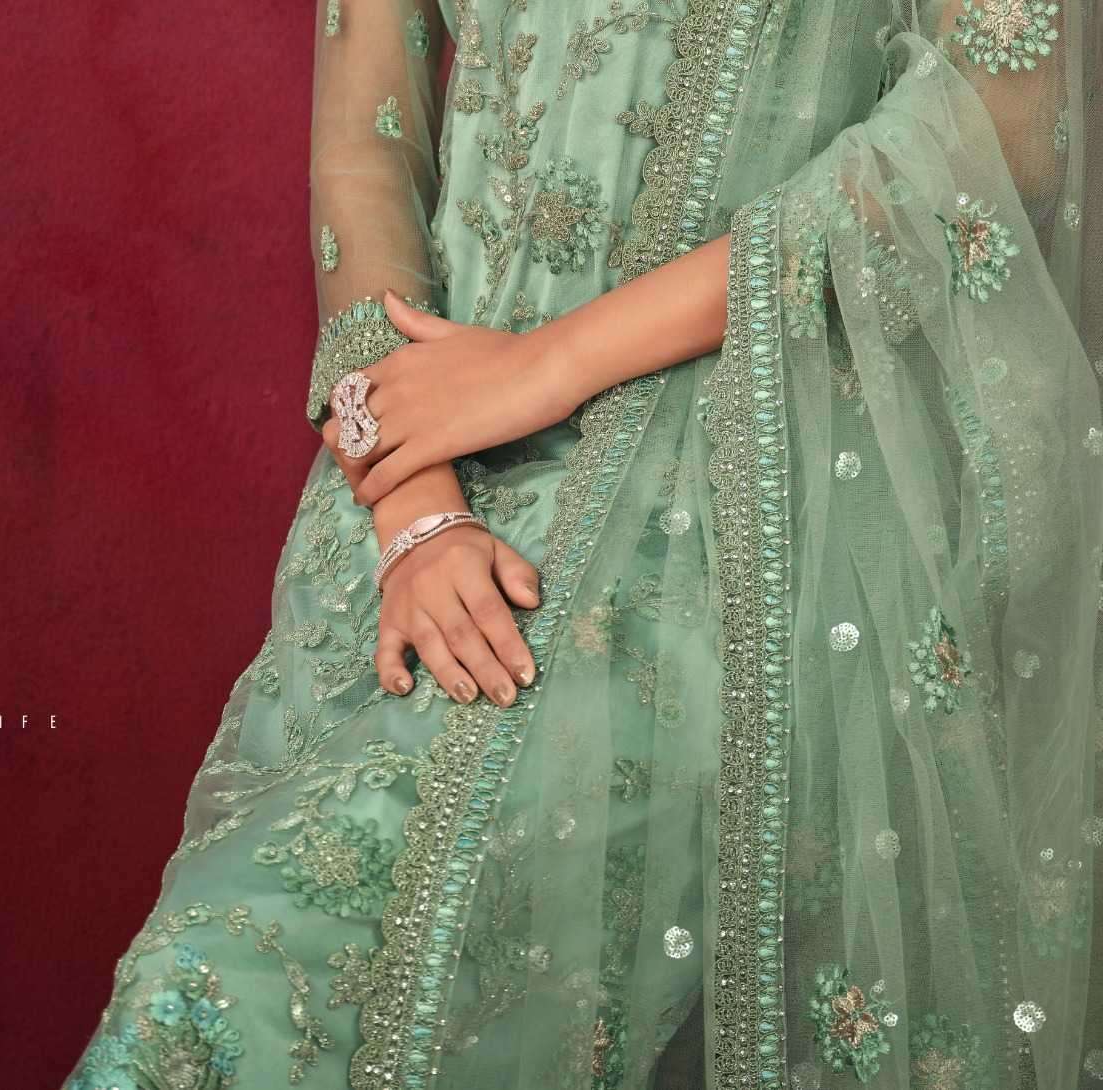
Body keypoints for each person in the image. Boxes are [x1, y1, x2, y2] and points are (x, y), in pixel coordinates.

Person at [65, 0, 1101, 1086]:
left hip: (747, 508)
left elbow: (1001, 135)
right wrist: (412, 497)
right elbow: (367, 154)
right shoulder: (414, 499)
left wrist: (543, 367)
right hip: (417, 510)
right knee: (207, 994)